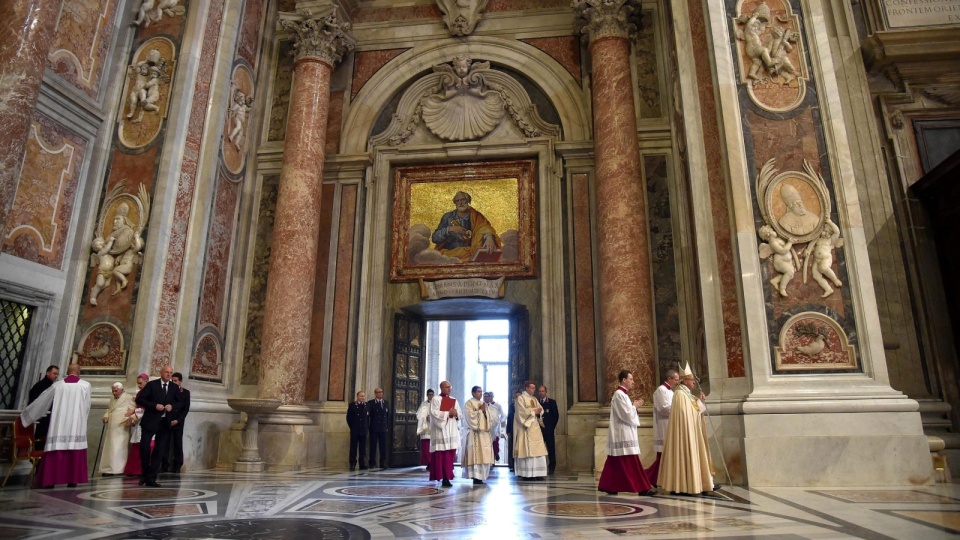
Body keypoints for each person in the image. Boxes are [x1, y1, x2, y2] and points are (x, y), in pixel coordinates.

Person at [21, 363, 92, 488]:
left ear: (67, 371)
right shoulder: (85, 385)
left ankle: (50, 481)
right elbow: (86, 407)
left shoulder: (57, 385)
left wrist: (27, 415)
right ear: (79, 372)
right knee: (74, 448)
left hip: (58, 424)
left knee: (56, 448)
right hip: (76, 425)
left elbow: (43, 401)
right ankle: (72, 480)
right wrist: (81, 420)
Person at [597, 370, 656, 496]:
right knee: (630, 461)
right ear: (624, 380)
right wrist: (635, 406)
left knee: (615, 462)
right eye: (631, 379)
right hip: (622, 433)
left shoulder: (623, 394)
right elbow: (626, 414)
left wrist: (634, 406)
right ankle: (642, 488)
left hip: (624, 432)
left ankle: (609, 485)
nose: (633, 382)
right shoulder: (619, 394)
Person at [660, 363, 716, 496]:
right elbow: (685, 414)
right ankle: (684, 485)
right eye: (692, 381)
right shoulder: (679, 394)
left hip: (691, 432)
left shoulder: (687, 394)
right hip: (684, 434)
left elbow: (694, 410)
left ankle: (699, 483)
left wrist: (699, 401)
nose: (694, 383)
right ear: (685, 381)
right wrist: (697, 405)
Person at [136, 365, 181, 487]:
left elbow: (179, 402)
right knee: (144, 447)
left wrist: (172, 407)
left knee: (159, 450)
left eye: (171, 373)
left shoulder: (174, 387)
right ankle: (144, 473)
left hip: (165, 422)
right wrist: (154, 405)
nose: (169, 375)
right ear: (161, 372)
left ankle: (151, 478)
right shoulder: (152, 385)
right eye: (166, 372)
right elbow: (140, 399)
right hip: (150, 421)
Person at [431, 191, 502, 262]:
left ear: (468, 201)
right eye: (457, 201)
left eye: (463, 199)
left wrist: (489, 236)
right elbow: (435, 238)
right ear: (455, 203)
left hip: (471, 254)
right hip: (451, 254)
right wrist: (450, 229)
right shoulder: (447, 217)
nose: (460, 203)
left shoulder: (476, 215)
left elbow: (484, 227)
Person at [645, 369, 679, 485]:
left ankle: (662, 479)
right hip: (663, 426)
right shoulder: (661, 390)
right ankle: (648, 478)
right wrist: (679, 409)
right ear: (669, 379)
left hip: (670, 424)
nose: (677, 382)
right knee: (662, 457)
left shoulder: (671, 392)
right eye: (676, 379)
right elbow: (664, 408)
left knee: (667, 457)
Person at [429, 380, 462, 487]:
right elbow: (434, 413)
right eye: (447, 387)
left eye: (450, 386)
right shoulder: (436, 399)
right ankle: (443, 477)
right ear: (441, 388)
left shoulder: (454, 400)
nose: (449, 388)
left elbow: (459, 414)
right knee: (441, 456)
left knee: (449, 456)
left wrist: (456, 413)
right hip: (441, 431)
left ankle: (448, 477)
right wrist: (448, 413)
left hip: (451, 430)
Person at [513, 381, 548, 480]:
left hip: (535, 427)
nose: (534, 390)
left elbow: (540, 409)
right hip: (526, 427)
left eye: (534, 388)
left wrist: (539, 412)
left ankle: (538, 473)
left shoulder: (534, 399)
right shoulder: (521, 398)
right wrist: (533, 412)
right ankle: (527, 474)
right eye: (532, 388)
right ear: (526, 388)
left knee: (538, 449)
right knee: (527, 450)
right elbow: (521, 413)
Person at [462, 386, 498, 484]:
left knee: (484, 454)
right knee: (475, 454)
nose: (480, 393)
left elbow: (490, 418)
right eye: (478, 392)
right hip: (475, 433)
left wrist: (485, 412)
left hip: (484, 434)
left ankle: (482, 475)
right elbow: (469, 417)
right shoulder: (469, 403)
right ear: (473, 393)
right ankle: (475, 476)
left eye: (481, 392)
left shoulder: (484, 404)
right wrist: (481, 411)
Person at [100, 382, 134, 475]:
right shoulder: (112, 398)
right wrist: (106, 416)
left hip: (121, 426)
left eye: (116, 391)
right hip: (112, 426)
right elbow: (109, 409)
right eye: (113, 391)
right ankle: (108, 468)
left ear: (122, 390)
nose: (114, 393)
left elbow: (132, 411)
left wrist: (129, 420)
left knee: (118, 449)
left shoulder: (129, 397)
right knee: (110, 449)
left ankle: (117, 469)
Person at [161, 372, 190, 473]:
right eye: (172, 381)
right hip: (168, 420)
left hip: (178, 421)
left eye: (176, 381)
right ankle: (164, 464)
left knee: (177, 443)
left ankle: (177, 464)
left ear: (180, 381)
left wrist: (178, 420)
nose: (174, 382)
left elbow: (185, 409)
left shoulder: (185, 393)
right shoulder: (168, 391)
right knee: (165, 443)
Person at [123, 374, 149, 476]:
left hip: (146, 420)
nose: (139, 385)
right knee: (136, 446)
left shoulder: (150, 392)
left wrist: (133, 415)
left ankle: (141, 469)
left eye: (140, 383)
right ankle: (133, 469)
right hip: (139, 421)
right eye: (138, 383)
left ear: (146, 381)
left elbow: (145, 408)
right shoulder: (139, 393)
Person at [27, 365, 59, 447]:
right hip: (40, 419)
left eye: (57, 374)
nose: (56, 376)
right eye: (54, 373)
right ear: (48, 373)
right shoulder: (39, 386)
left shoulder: (52, 386)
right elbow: (33, 402)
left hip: (48, 418)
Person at [537, 385, 560, 474]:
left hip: (549, 431)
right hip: (539, 431)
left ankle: (551, 468)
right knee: (539, 450)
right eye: (539, 391)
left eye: (542, 391)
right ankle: (540, 467)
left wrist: (551, 427)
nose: (541, 393)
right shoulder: (536, 403)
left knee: (551, 449)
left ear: (546, 392)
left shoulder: (551, 402)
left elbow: (556, 416)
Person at [346, 391, 368, 471]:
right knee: (353, 448)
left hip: (363, 430)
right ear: (357, 397)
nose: (363, 397)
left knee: (363, 448)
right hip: (355, 430)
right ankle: (352, 463)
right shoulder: (352, 405)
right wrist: (352, 427)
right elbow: (349, 418)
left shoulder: (366, 405)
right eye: (361, 396)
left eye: (364, 396)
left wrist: (366, 428)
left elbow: (367, 418)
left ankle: (362, 463)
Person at [368, 387, 389, 469]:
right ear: (375, 394)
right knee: (373, 446)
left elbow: (387, 416)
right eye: (378, 392)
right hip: (374, 428)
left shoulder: (385, 403)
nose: (380, 393)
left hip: (383, 428)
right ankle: (372, 462)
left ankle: (383, 462)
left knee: (383, 446)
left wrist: (387, 426)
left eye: (381, 392)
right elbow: (368, 416)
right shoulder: (371, 403)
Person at [416, 389, 435, 472]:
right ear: (427, 395)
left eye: (432, 394)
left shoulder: (436, 404)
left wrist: (432, 417)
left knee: (433, 447)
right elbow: (418, 414)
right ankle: (428, 463)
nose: (431, 396)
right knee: (425, 448)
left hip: (434, 428)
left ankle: (433, 463)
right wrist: (425, 417)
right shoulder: (423, 404)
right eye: (429, 394)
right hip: (425, 427)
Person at [482, 391, 504, 462]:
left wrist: (499, 421)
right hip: (484, 428)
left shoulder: (496, 406)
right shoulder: (481, 406)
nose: (488, 398)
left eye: (490, 396)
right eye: (485, 396)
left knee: (494, 444)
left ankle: (494, 457)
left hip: (495, 428)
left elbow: (502, 415)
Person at [506, 389, 520, 471]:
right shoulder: (511, 406)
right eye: (516, 396)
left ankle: (519, 465)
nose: (517, 397)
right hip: (512, 430)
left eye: (518, 396)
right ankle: (512, 465)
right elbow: (509, 418)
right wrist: (508, 431)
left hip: (520, 429)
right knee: (512, 448)